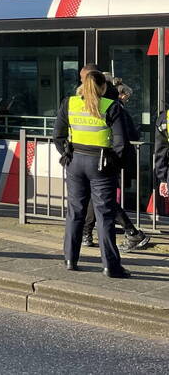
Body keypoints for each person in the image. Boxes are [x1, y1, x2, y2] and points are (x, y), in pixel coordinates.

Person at [54, 70, 131, 278]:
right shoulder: (111, 106)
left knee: (75, 212)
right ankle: (110, 266)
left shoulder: (69, 103)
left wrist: (67, 155)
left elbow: (58, 136)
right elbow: (121, 143)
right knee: (104, 214)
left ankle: (70, 259)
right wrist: (116, 164)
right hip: (101, 163)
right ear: (104, 87)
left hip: (75, 162)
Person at [77, 67, 150, 253]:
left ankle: (132, 233)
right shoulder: (112, 106)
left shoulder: (98, 105)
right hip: (104, 160)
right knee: (100, 198)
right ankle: (91, 233)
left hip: (101, 160)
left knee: (103, 199)